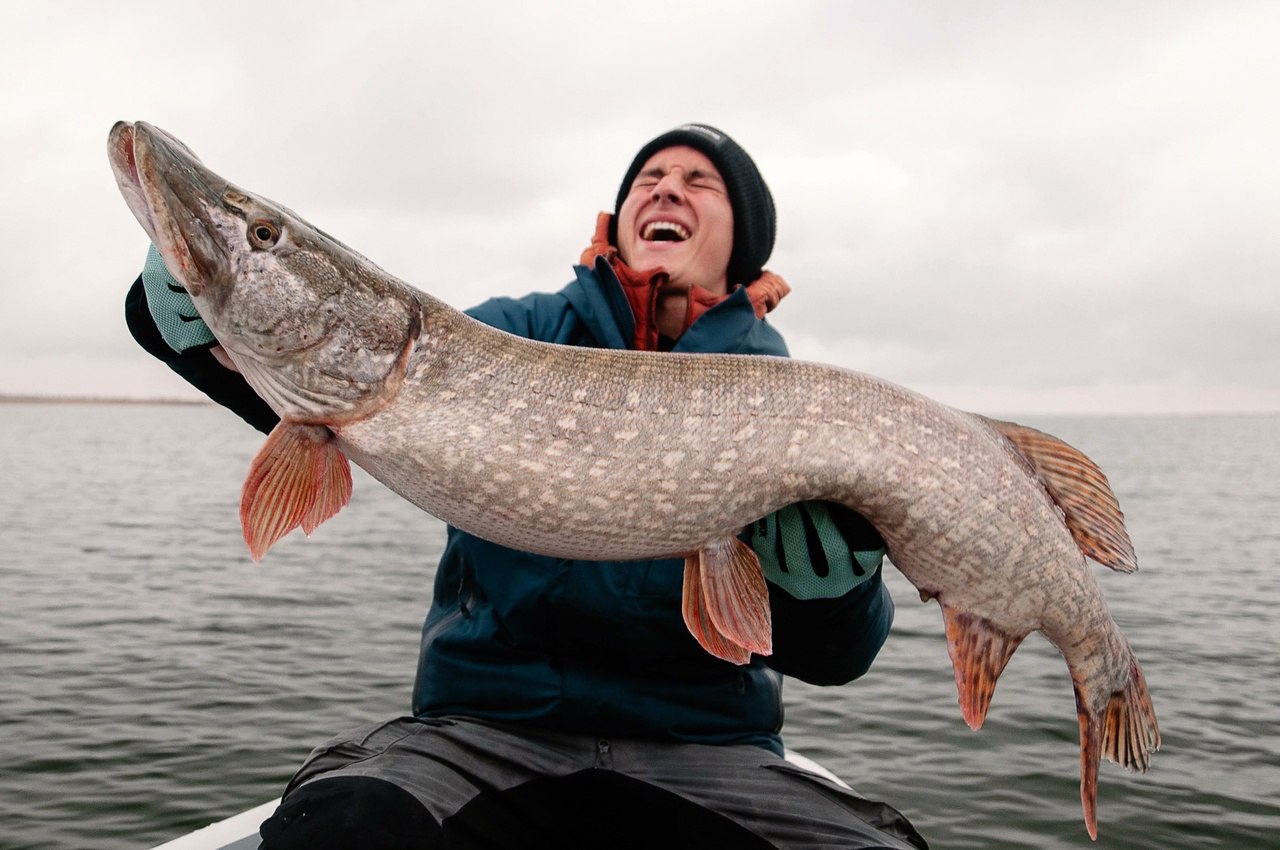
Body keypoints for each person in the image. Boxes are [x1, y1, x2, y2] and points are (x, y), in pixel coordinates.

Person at [125, 123, 927, 849]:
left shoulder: (781, 389)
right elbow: (343, 375)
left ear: (740, 241)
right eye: (648, 177)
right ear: (618, 219)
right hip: (480, 735)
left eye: (699, 180)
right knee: (342, 832)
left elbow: (838, 656)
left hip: (713, 751)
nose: (666, 187)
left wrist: (835, 595)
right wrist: (189, 321)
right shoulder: (510, 334)